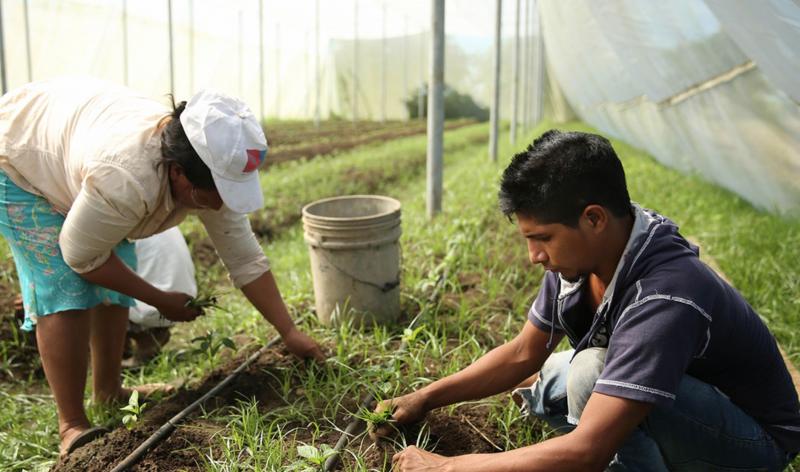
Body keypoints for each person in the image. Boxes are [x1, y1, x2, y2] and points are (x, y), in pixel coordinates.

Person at [374, 130, 800, 471]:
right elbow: (523, 351)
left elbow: (587, 452)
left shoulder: (667, 293)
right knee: (557, 366)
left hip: (752, 446)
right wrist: (423, 397)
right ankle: (568, 407)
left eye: (542, 239)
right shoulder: (586, 256)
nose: (534, 256)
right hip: (683, 393)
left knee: (589, 372)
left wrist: (448, 468)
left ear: (594, 218)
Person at [0, 77, 325, 456]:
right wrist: (159, 300)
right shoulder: (125, 177)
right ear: (178, 173)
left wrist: (289, 331)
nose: (220, 205)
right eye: (214, 195)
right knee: (64, 285)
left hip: (79, 149)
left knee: (117, 260)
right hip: (20, 158)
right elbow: (80, 256)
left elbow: (245, 258)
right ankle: (71, 424)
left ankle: (109, 390)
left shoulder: (205, 172)